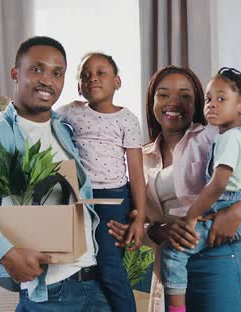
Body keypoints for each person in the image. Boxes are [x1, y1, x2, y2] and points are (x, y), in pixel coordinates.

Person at [0, 36, 111, 312]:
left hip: (94, 284)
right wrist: (3, 251)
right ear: (16, 73)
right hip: (51, 293)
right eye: (37, 69)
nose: (47, 80)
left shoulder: (65, 129)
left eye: (57, 73)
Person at [107, 65, 241, 311]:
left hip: (219, 258)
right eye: (163, 95)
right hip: (172, 268)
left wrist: (236, 211)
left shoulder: (218, 136)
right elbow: (142, 221)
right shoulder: (140, 157)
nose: (173, 102)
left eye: (185, 96)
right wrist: (156, 230)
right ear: (151, 101)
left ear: (197, 103)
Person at [161, 67, 241, 311]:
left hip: (224, 234)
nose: (212, 105)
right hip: (239, 229)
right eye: (209, 99)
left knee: (174, 253)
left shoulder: (225, 137)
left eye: (221, 99)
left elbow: (219, 184)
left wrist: (192, 217)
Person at [57, 52, 146, 312]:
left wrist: (139, 217)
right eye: (86, 75)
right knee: (78, 265)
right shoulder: (69, 112)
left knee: (109, 267)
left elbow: (137, 174)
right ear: (78, 87)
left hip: (112, 198)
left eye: (100, 73)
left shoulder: (127, 119)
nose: (92, 78)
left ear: (117, 82)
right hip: (77, 199)